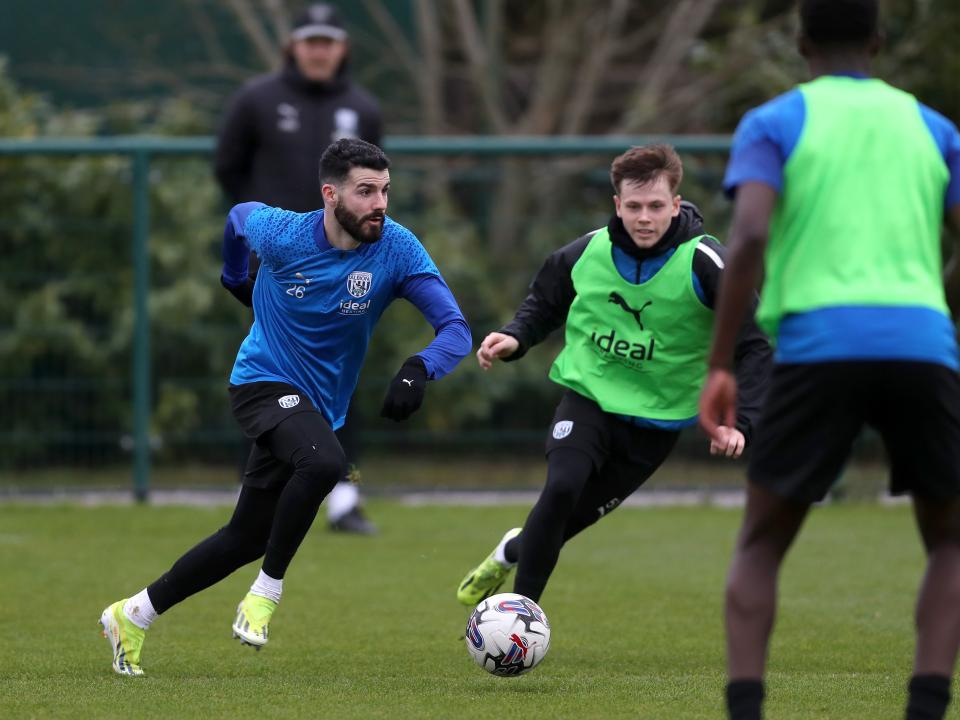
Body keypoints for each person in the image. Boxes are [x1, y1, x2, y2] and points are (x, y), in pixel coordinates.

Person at [100, 138, 472, 677]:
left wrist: (421, 367)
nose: (380, 203)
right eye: (366, 191)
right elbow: (237, 217)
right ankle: (266, 595)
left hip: (316, 407)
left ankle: (131, 614)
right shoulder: (284, 234)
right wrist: (234, 277)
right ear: (330, 194)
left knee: (244, 538)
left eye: (385, 190)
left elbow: (455, 328)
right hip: (261, 381)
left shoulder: (396, 248)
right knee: (325, 464)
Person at [697, 2, 960, 718]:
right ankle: (927, 708)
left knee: (760, 541)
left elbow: (747, 237)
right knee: (948, 540)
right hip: (922, 341)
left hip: (817, 345)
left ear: (801, 41)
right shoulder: (933, 128)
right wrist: (932, 299)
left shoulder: (775, 122)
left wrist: (722, 363)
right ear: (879, 40)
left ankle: (746, 709)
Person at [455, 144, 771, 609]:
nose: (645, 217)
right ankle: (520, 617)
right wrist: (515, 337)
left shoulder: (708, 263)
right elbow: (545, 301)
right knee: (560, 489)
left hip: (655, 423)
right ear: (617, 205)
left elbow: (755, 344)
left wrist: (740, 422)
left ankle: (510, 550)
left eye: (657, 206)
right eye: (635, 206)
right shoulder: (587, 251)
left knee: (560, 524)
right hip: (590, 397)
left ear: (676, 205)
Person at [215, 2, 383, 534]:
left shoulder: (362, 107)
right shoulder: (257, 99)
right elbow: (228, 167)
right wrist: (264, 236)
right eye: (310, 41)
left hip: (346, 265)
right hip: (280, 266)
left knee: (341, 370)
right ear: (294, 46)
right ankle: (256, 491)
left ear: (341, 49)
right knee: (266, 371)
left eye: (328, 41)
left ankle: (343, 497)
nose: (319, 50)